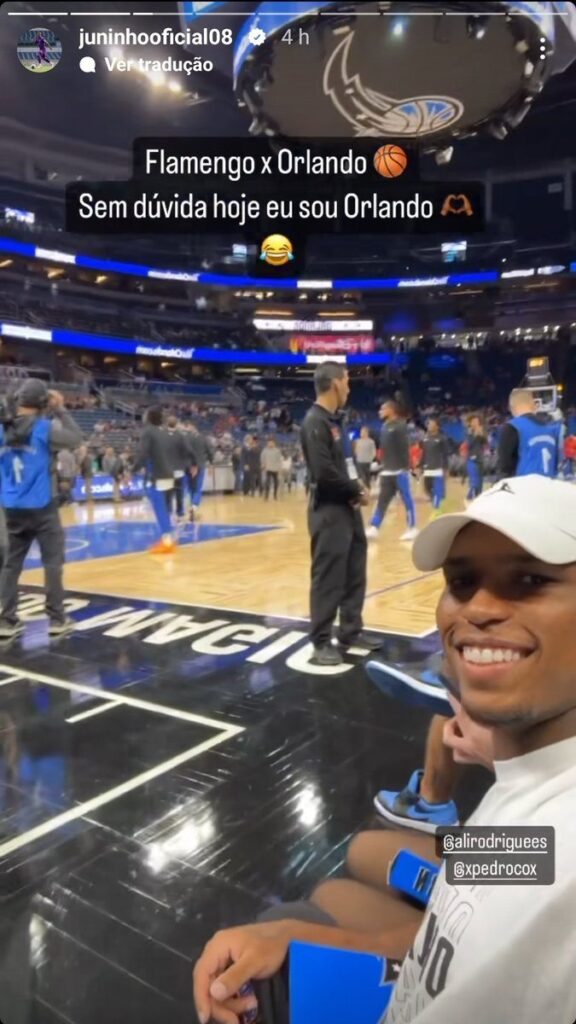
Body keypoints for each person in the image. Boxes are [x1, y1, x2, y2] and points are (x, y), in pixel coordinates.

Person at [194, 474, 576, 1024]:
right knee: (357, 858)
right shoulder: (538, 781)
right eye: (462, 581)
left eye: (530, 580)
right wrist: (294, 934)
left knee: (278, 957)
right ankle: (434, 831)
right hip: (509, 859)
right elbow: (444, 932)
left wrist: (299, 938)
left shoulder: (554, 896)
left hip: (509, 878)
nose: (480, 607)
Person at [300, 362, 380, 666]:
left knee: (354, 571)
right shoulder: (314, 422)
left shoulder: (336, 421)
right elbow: (323, 474)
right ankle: (320, 641)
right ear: (334, 383)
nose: (349, 386)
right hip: (329, 510)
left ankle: (350, 631)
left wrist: (356, 485)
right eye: (346, 380)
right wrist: (355, 490)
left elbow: (343, 465)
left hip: (346, 508)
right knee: (328, 577)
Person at [0, 381, 82, 638]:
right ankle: (57, 618)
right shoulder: (44, 428)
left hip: (12, 506)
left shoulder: (2, 430)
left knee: (11, 565)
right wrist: (61, 410)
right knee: (52, 563)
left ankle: (6, 620)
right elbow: (76, 439)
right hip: (42, 506)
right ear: (44, 402)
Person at [366, 400, 418, 542]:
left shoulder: (401, 426)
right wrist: (380, 464)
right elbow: (385, 450)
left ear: (392, 410)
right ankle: (374, 527)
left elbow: (404, 448)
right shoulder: (384, 427)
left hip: (400, 471)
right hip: (387, 471)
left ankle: (412, 528)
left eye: (383, 409)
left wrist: (407, 468)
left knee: (407, 500)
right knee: (382, 501)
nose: (380, 412)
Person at [132, 407, 177, 554]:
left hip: (156, 474)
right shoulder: (163, 432)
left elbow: (142, 453)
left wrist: (133, 469)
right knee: (163, 507)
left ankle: (167, 541)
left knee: (160, 508)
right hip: (169, 473)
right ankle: (168, 538)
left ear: (149, 418)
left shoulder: (148, 432)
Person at [497, 388, 563, 479]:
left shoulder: (513, 427)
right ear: (534, 405)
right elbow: (557, 462)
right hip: (549, 484)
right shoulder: (552, 428)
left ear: (511, 407)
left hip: (525, 486)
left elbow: (504, 467)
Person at [421, 418, 450, 516]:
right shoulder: (425, 438)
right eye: (428, 424)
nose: (429, 425)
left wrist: (446, 468)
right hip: (427, 468)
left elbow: (445, 454)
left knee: (438, 489)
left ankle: (437, 509)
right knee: (427, 488)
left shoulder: (442, 438)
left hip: (438, 467)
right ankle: (436, 500)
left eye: (431, 424)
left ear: (437, 426)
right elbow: (424, 454)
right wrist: (420, 466)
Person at [186, 423, 212, 520]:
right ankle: (194, 506)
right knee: (198, 487)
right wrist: (211, 463)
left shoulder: (186, 438)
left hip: (188, 466)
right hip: (200, 465)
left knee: (191, 488)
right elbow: (210, 451)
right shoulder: (203, 438)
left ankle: (192, 507)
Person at [464, 413, 486, 502]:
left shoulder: (482, 431)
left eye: (477, 421)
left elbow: (485, 442)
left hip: (480, 459)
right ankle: (468, 497)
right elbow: (469, 445)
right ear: (470, 423)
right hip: (471, 459)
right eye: (473, 421)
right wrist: (475, 435)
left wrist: (481, 435)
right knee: (474, 482)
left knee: (480, 483)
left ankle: (478, 499)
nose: (475, 423)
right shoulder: (468, 432)